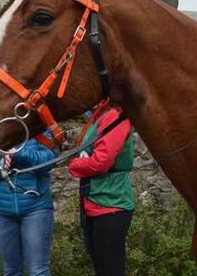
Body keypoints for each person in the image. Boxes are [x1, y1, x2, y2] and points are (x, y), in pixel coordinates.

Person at [68, 104, 135, 276]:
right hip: (94, 201)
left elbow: (101, 161)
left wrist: (75, 164)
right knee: (102, 267)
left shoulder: (115, 116)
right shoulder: (97, 115)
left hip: (111, 202)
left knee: (109, 269)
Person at [0, 138, 57, 276]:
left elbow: (50, 160)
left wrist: (19, 154)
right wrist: (0, 164)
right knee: (10, 271)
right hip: (2, 211)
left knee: (38, 270)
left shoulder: (38, 130)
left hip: (36, 207)